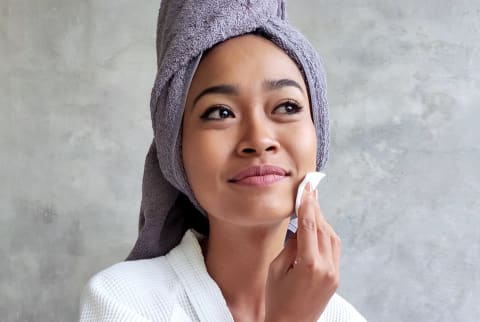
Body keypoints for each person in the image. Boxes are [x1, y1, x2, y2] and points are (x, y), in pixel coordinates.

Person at [79, 1, 366, 321]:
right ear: (176, 147)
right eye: (221, 112)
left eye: (286, 107)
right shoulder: (122, 299)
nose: (259, 139)